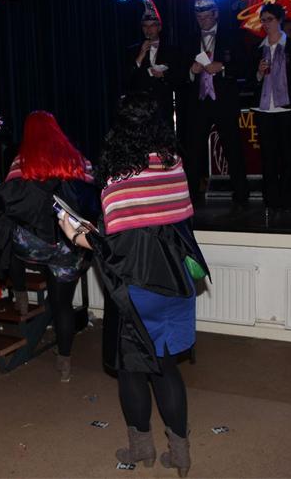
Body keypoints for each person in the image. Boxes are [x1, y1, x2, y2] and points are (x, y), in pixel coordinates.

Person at [59, 92, 207, 477]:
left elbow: (118, 247)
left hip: (138, 291)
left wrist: (77, 236)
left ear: (120, 131)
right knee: (165, 369)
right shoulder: (175, 166)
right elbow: (169, 223)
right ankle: (181, 454)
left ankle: (141, 449)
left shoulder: (117, 178)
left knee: (131, 370)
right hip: (177, 284)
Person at [0, 111, 97, 382]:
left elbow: (11, 202)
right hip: (68, 243)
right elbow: (92, 195)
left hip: (33, 245)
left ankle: (20, 294)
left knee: (8, 232)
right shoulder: (77, 159)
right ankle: (65, 363)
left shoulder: (22, 161)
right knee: (62, 305)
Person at [184, 0, 248, 205]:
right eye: (198, 17)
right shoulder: (190, 40)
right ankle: (191, 198)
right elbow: (179, 72)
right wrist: (191, 71)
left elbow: (244, 66)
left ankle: (241, 195)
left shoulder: (231, 36)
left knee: (233, 148)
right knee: (194, 151)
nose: (202, 21)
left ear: (216, 13)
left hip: (224, 101)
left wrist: (222, 67)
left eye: (205, 16)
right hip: (199, 103)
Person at [251, 3, 291, 212]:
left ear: (279, 20)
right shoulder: (258, 48)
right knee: (268, 156)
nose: (266, 24)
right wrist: (258, 73)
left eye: (270, 19)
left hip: (286, 109)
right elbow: (250, 81)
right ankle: (270, 199)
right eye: (263, 20)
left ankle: (287, 199)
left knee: (287, 156)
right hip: (264, 109)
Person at [128, 0, 179, 128]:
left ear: (159, 27)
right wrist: (141, 55)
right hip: (140, 109)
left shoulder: (171, 50)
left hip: (163, 107)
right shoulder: (133, 50)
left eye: (152, 25)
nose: (148, 29)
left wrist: (163, 75)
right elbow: (127, 78)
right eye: (145, 26)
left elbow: (180, 77)